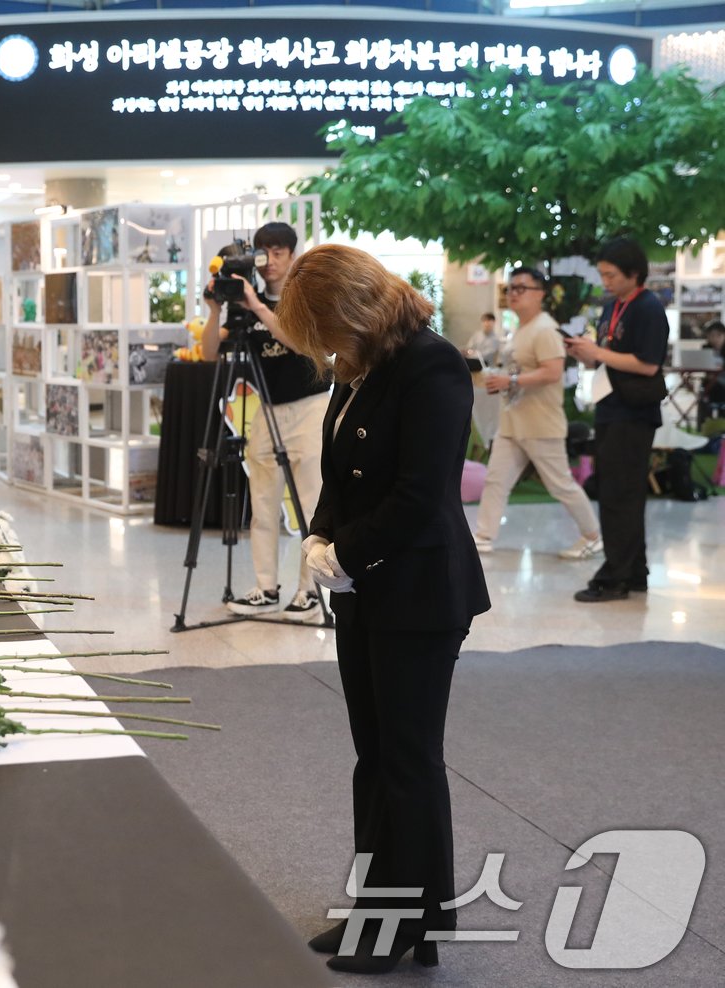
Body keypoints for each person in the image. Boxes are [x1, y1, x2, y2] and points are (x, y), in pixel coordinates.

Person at [246, 244, 490, 975]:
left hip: (417, 590)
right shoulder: (365, 364)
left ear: (352, 309)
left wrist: (345, 552)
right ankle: (380, 907)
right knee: (374, 759)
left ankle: (409, 921)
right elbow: (341, 473)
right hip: (365, 588)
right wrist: (321, 533)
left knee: (409, 761)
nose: (323, 351)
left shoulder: (431, 364)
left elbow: (421, 494)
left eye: (323, 332)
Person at [200, 222, 331, 623]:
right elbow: (208, 354)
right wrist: (215, 310)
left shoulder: (306, 298)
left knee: (313, 505)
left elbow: (307, 345)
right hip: (268, 410)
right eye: (263, 252)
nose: (270, 261)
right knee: (262, 505)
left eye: (278, 252)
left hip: (310, 407)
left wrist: (259, 307)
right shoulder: (245, 302)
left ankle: (310, 592)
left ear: (293, 255)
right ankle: (265, 587)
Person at [565, 236, 670, 602]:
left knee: (619, 495)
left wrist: (599, 354)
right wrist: (587, 353)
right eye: (603, 275)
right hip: (611, 406)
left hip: (633, 412)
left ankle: (615, 577)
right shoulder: (613, 306)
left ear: (633, 273)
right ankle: (635, 572)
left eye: (611, 275)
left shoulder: (649, 308)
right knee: (618, 492)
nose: (605, 281)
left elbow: (648, 364)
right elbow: (609, 354)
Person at [472, 267, 602, 559]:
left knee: (561, 485)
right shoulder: (521, 329)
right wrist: (501, 379)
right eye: (511, 288)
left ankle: (592, 536)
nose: (514, 294)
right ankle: (483, 536)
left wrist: (511, 381)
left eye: (522, 288)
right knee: (496, 480)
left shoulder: (545, 329)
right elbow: (519, 370)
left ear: (540, 294)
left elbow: (553, 372)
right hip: (513, 422)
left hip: (541, 424)